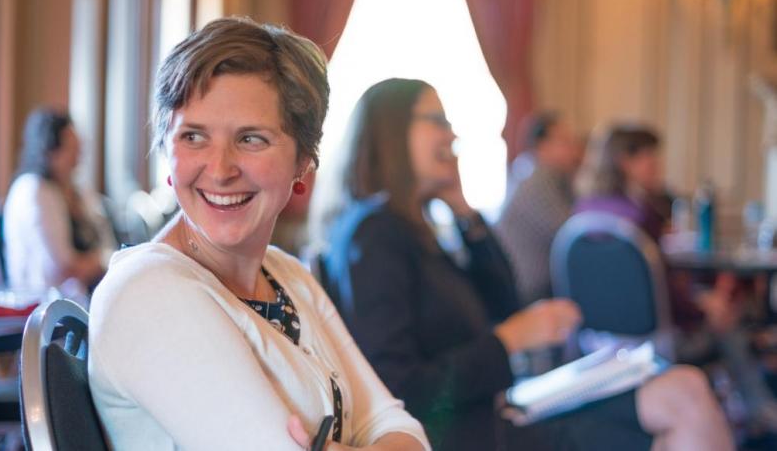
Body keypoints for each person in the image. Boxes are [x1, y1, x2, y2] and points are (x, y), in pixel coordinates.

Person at [310, 78, 734, 451]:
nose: (451, 132)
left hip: (493, 411)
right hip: (463, 433)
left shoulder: (417, 227)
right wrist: (508, 341)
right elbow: (401, 388)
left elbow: (505, 299)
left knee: (684, 389)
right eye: (436, 119)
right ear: (391, 130)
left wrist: (463, 210)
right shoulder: (375, 235)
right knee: (681, 404)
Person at [88, 18, 429, 451]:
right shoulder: (147, 291)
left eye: (251, 138)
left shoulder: (287, 274)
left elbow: (398, 425)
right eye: (194, 136)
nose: (220, 169)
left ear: (303, 161)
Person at [576, 124, 777, 432]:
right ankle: (758, 407)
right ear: (625, 162)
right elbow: (662, 295)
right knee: (728, 319)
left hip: (597, 338)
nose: (658, 168)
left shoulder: (584, 211)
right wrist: (703, 309)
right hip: (654, 338)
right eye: (651, 161)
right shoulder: (638, 216)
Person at [3, 108, 115, 301]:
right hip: (45, 303)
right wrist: (106, 260)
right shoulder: (35, 190)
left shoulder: (74, 190)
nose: (77, 159)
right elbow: (63, 268)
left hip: (79, 297)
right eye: (70, 149)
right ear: (48, 151)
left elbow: (105, 239)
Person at [497, 111, 584, 305]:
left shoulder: (536, 173)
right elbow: (569, 234)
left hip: (535, 285)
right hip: (530, 290)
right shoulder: (538, 180)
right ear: (542, 146)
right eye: (565, 141)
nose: (574, 149)